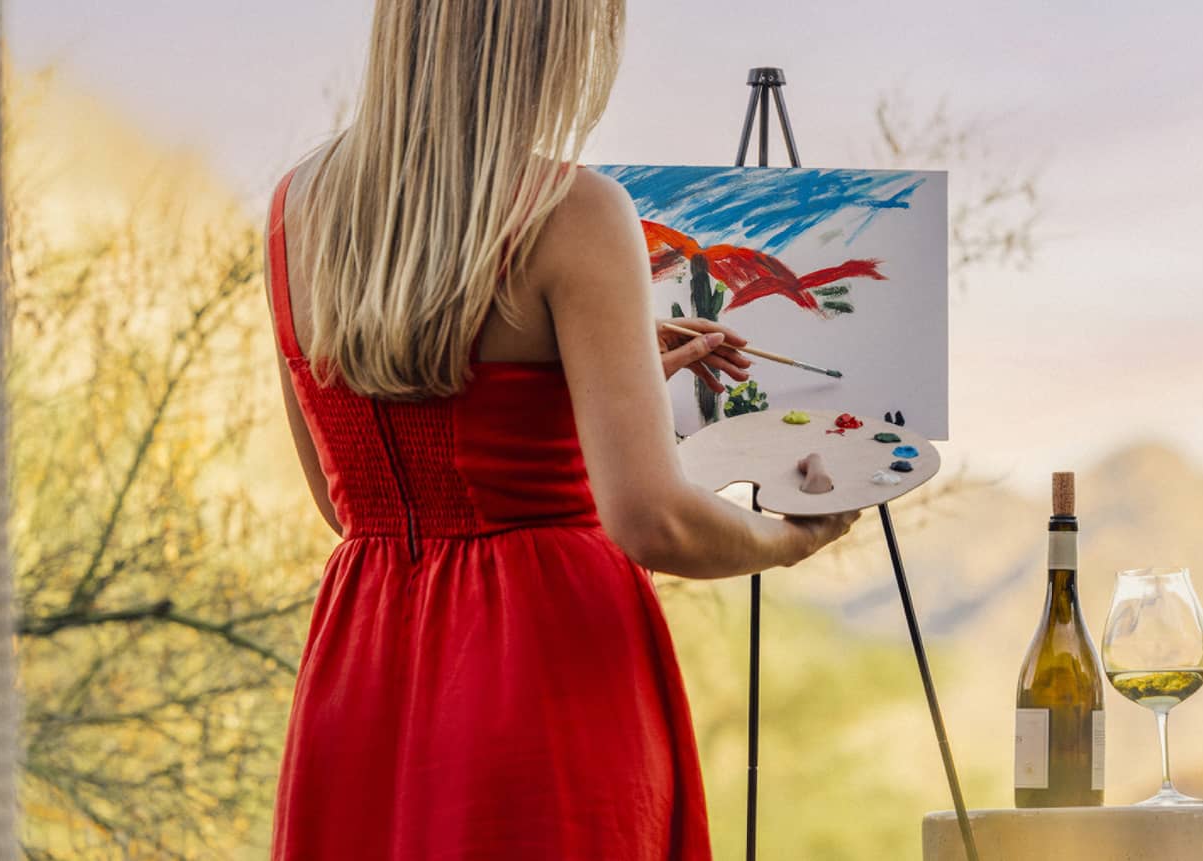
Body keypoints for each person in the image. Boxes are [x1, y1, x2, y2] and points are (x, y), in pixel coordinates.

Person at [264, 2, 861, 858]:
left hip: (366, 663)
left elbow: (344, 495)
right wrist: (788, 538)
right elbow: (653, 519)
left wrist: (587, 387)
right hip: (544, 672)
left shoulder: (297, 207)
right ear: (554, 36)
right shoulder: (574, 209)